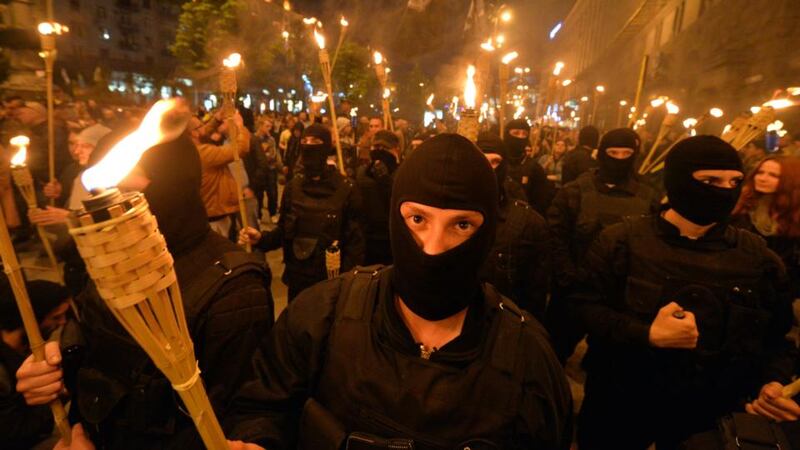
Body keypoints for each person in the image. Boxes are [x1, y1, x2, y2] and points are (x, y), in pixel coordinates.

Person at [225, 133, 572, 450]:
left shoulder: (528, 361)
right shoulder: (322, 314)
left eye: (461, 225)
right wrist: (259, 440)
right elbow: (262, 405)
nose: (433, 249)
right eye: (418, 220)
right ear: (395, 217)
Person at [16, 129, 275, 449]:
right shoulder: (113, 257)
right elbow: (91, 337)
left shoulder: (233, 289)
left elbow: (242, 416)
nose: (106, 205)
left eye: (123, 185)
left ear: (172, 184)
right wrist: (55, 365)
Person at [571, 136, 799, 450]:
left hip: (708, 416)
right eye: (710, 181)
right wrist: (645, 334)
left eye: (734, 181)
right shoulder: (621, 241)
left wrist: (773, 382)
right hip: (621, 399)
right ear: (679, 180)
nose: (725, 190)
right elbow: (584, 307)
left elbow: (776, 340)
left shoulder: (758, 259)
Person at [546, 128, 658, 362]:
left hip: (619, 298)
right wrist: (567, 277)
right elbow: (556, 236)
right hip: (574, 289)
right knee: (552, 354)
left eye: (626, 153)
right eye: (613, 152)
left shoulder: (648, 196)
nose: (619, 159)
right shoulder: (575, 191)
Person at [239, 124, 365, 300]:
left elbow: (355, 246)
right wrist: (260, 238)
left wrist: (346, 284)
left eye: (315, 141)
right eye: (305, 141)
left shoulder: (347, 189)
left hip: (331, 284)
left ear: (326, 146)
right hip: (298, 282)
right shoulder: (293, 187)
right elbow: (283, 231)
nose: (309, 145)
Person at [477, 132, 552, 321]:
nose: (487, 169)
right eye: (480, 160)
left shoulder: (526, 221)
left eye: (494, 162)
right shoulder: (446, 213)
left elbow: (534, 289)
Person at [1, 279, 71, 450]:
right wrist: (59, 392)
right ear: (34, 319)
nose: (62, 322)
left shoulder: (27, 348)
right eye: (56, 317)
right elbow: (15, 432)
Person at [732, 156, 800, 319]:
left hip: (777, 292)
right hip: (739, 287)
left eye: (773, 175)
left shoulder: (795, 216)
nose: (763, 178)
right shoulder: (743, 206)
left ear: (789, 181)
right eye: (760, 172)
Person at [190, 110, 251, 239]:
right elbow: (240, 148)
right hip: (215, 218)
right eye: (201, 125)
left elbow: (203, 132)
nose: (205, 127)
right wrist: (240, 125)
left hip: (209, 213)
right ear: (193, 133)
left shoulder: (189, 148)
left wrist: (217, 118)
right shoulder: (202, 153)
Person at [356, 130, 401, 265]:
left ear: (395, 150)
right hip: (366, 241)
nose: (379, 151)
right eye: (376, 147)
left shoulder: (402, 174)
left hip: (391, 242)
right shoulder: (362, 173)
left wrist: (385, 182)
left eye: (385, 148)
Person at [503, 119, 554, 214]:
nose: (520, 137)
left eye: (524, 134)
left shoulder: (534, 168)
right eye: (516, 133)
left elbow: (541, 201)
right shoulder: (498, 162)